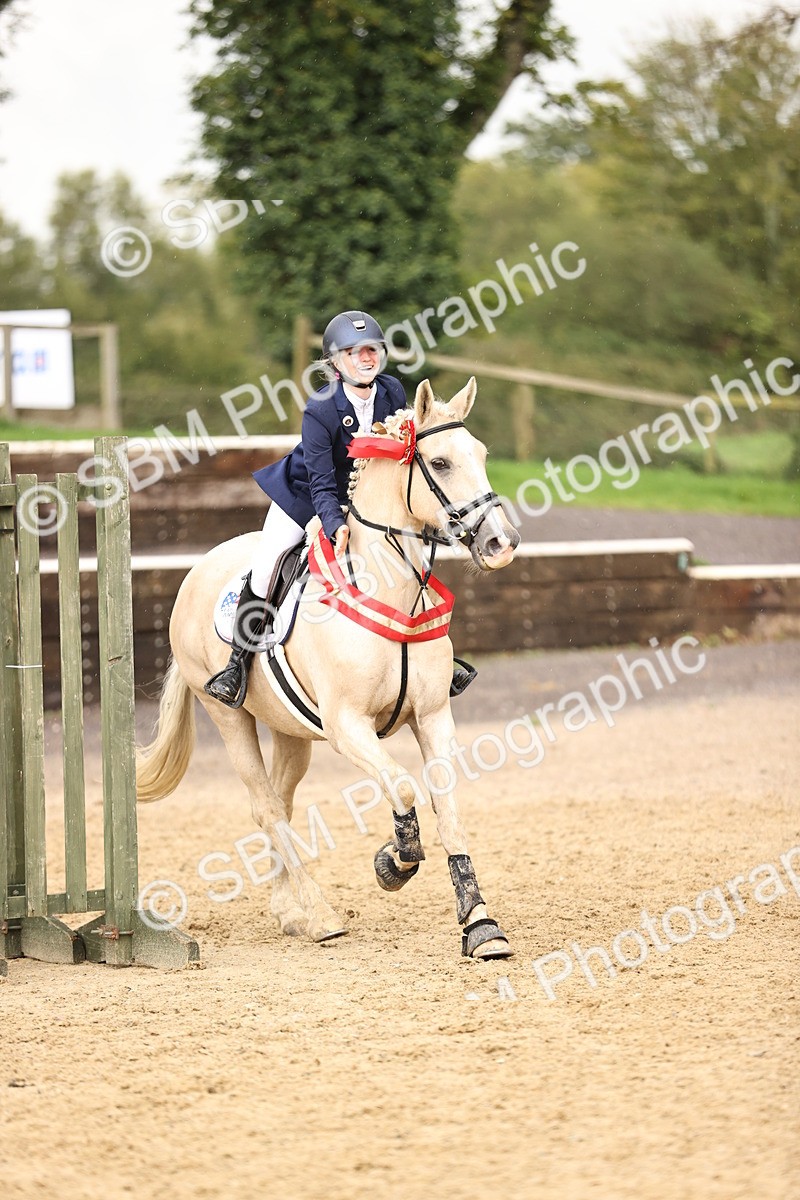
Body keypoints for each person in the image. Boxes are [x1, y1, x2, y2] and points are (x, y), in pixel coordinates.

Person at [204, 308, 475, 709]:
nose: (366, 358)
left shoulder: (391, 392)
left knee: (411, 557)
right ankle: (236, 665)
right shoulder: (321, 408)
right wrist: (334, 522)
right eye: (354, 352)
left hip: (367, 500)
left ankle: (433, 659)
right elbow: (320, 480)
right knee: (269, 564)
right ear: (335, 361)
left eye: (372, 350)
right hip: (305, 496)